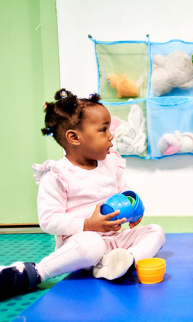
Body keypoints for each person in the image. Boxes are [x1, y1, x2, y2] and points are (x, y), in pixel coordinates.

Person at [0, 89, 166, 300]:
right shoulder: (58, 175)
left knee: (156, 231)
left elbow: (124, 193)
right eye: (103, 130)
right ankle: (36, 272)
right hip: (81, 241)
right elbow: (48, 220)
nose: (111, 135)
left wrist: (134, 211)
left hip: (114, 241)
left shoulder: (110, 162)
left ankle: (122, 262)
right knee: (91, 245)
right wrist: (88, 225)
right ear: (74, 137)